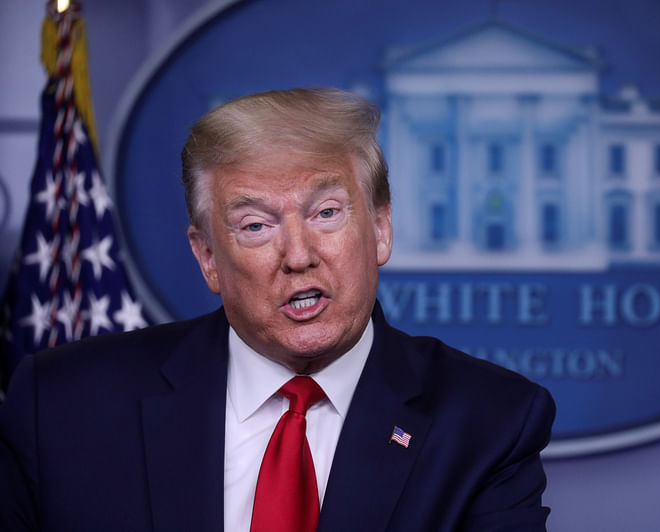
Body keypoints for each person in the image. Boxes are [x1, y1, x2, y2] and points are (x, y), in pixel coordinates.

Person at [0, 87, 555, 531]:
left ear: (381, 228)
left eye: (327, 213)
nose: (298, 256)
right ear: (208, 257)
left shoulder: (489, 421)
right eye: (256, 226)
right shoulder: (60, 405)